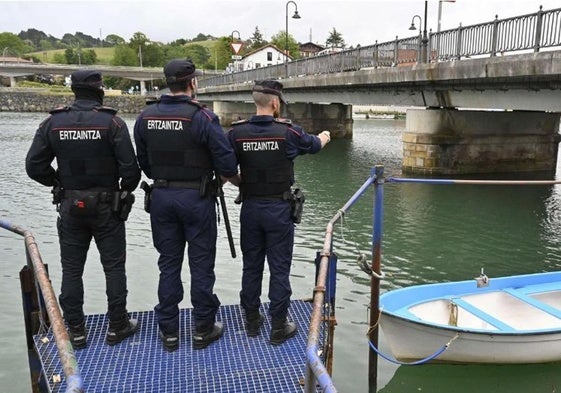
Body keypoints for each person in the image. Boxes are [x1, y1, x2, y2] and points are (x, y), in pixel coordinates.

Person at [25, 69, 141, 349]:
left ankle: (75, 330)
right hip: (106, 207)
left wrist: (58, 182)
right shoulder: (112, 123)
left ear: (74, 90)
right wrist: (120, 191)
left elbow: (33, 166)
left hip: (70, 205)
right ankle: (117, 326)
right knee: (113, 267)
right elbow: (131, 171)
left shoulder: (52, 123)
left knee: (72, 268)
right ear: (100, 89)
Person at [134, 59, 240, 352]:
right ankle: (203, 329)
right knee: (201, 265)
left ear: (168, 83)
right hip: (197, 199)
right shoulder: (202, 117)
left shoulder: (146, 116)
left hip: (162, 198)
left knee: (168, 264)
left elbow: (144, 163)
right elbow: (227, 162)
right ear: (192, 83)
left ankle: (169, 331)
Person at [227, 80, 331, 345]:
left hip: (250, 208)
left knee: (251, 266)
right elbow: (315, 145)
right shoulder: (288, 133)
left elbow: (226, 170)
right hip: (278, 209)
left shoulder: (236, 133)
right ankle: (278, 326)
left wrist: (244, 184)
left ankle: (251, 321)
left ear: (255, 101)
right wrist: (325, 136)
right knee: (279, 268)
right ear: (275, 103)